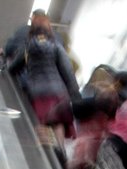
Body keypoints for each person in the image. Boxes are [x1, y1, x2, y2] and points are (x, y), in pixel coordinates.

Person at [6, 12, 79, 142]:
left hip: (38, 93)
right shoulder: (56, 45)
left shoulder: (28, 47)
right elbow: (67, 70)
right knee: (58, 122)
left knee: (42, 123)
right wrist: (75, 94)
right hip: (58, 92)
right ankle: (59, 150)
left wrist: (8, 66)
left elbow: (15, 67)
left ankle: (45, 149)